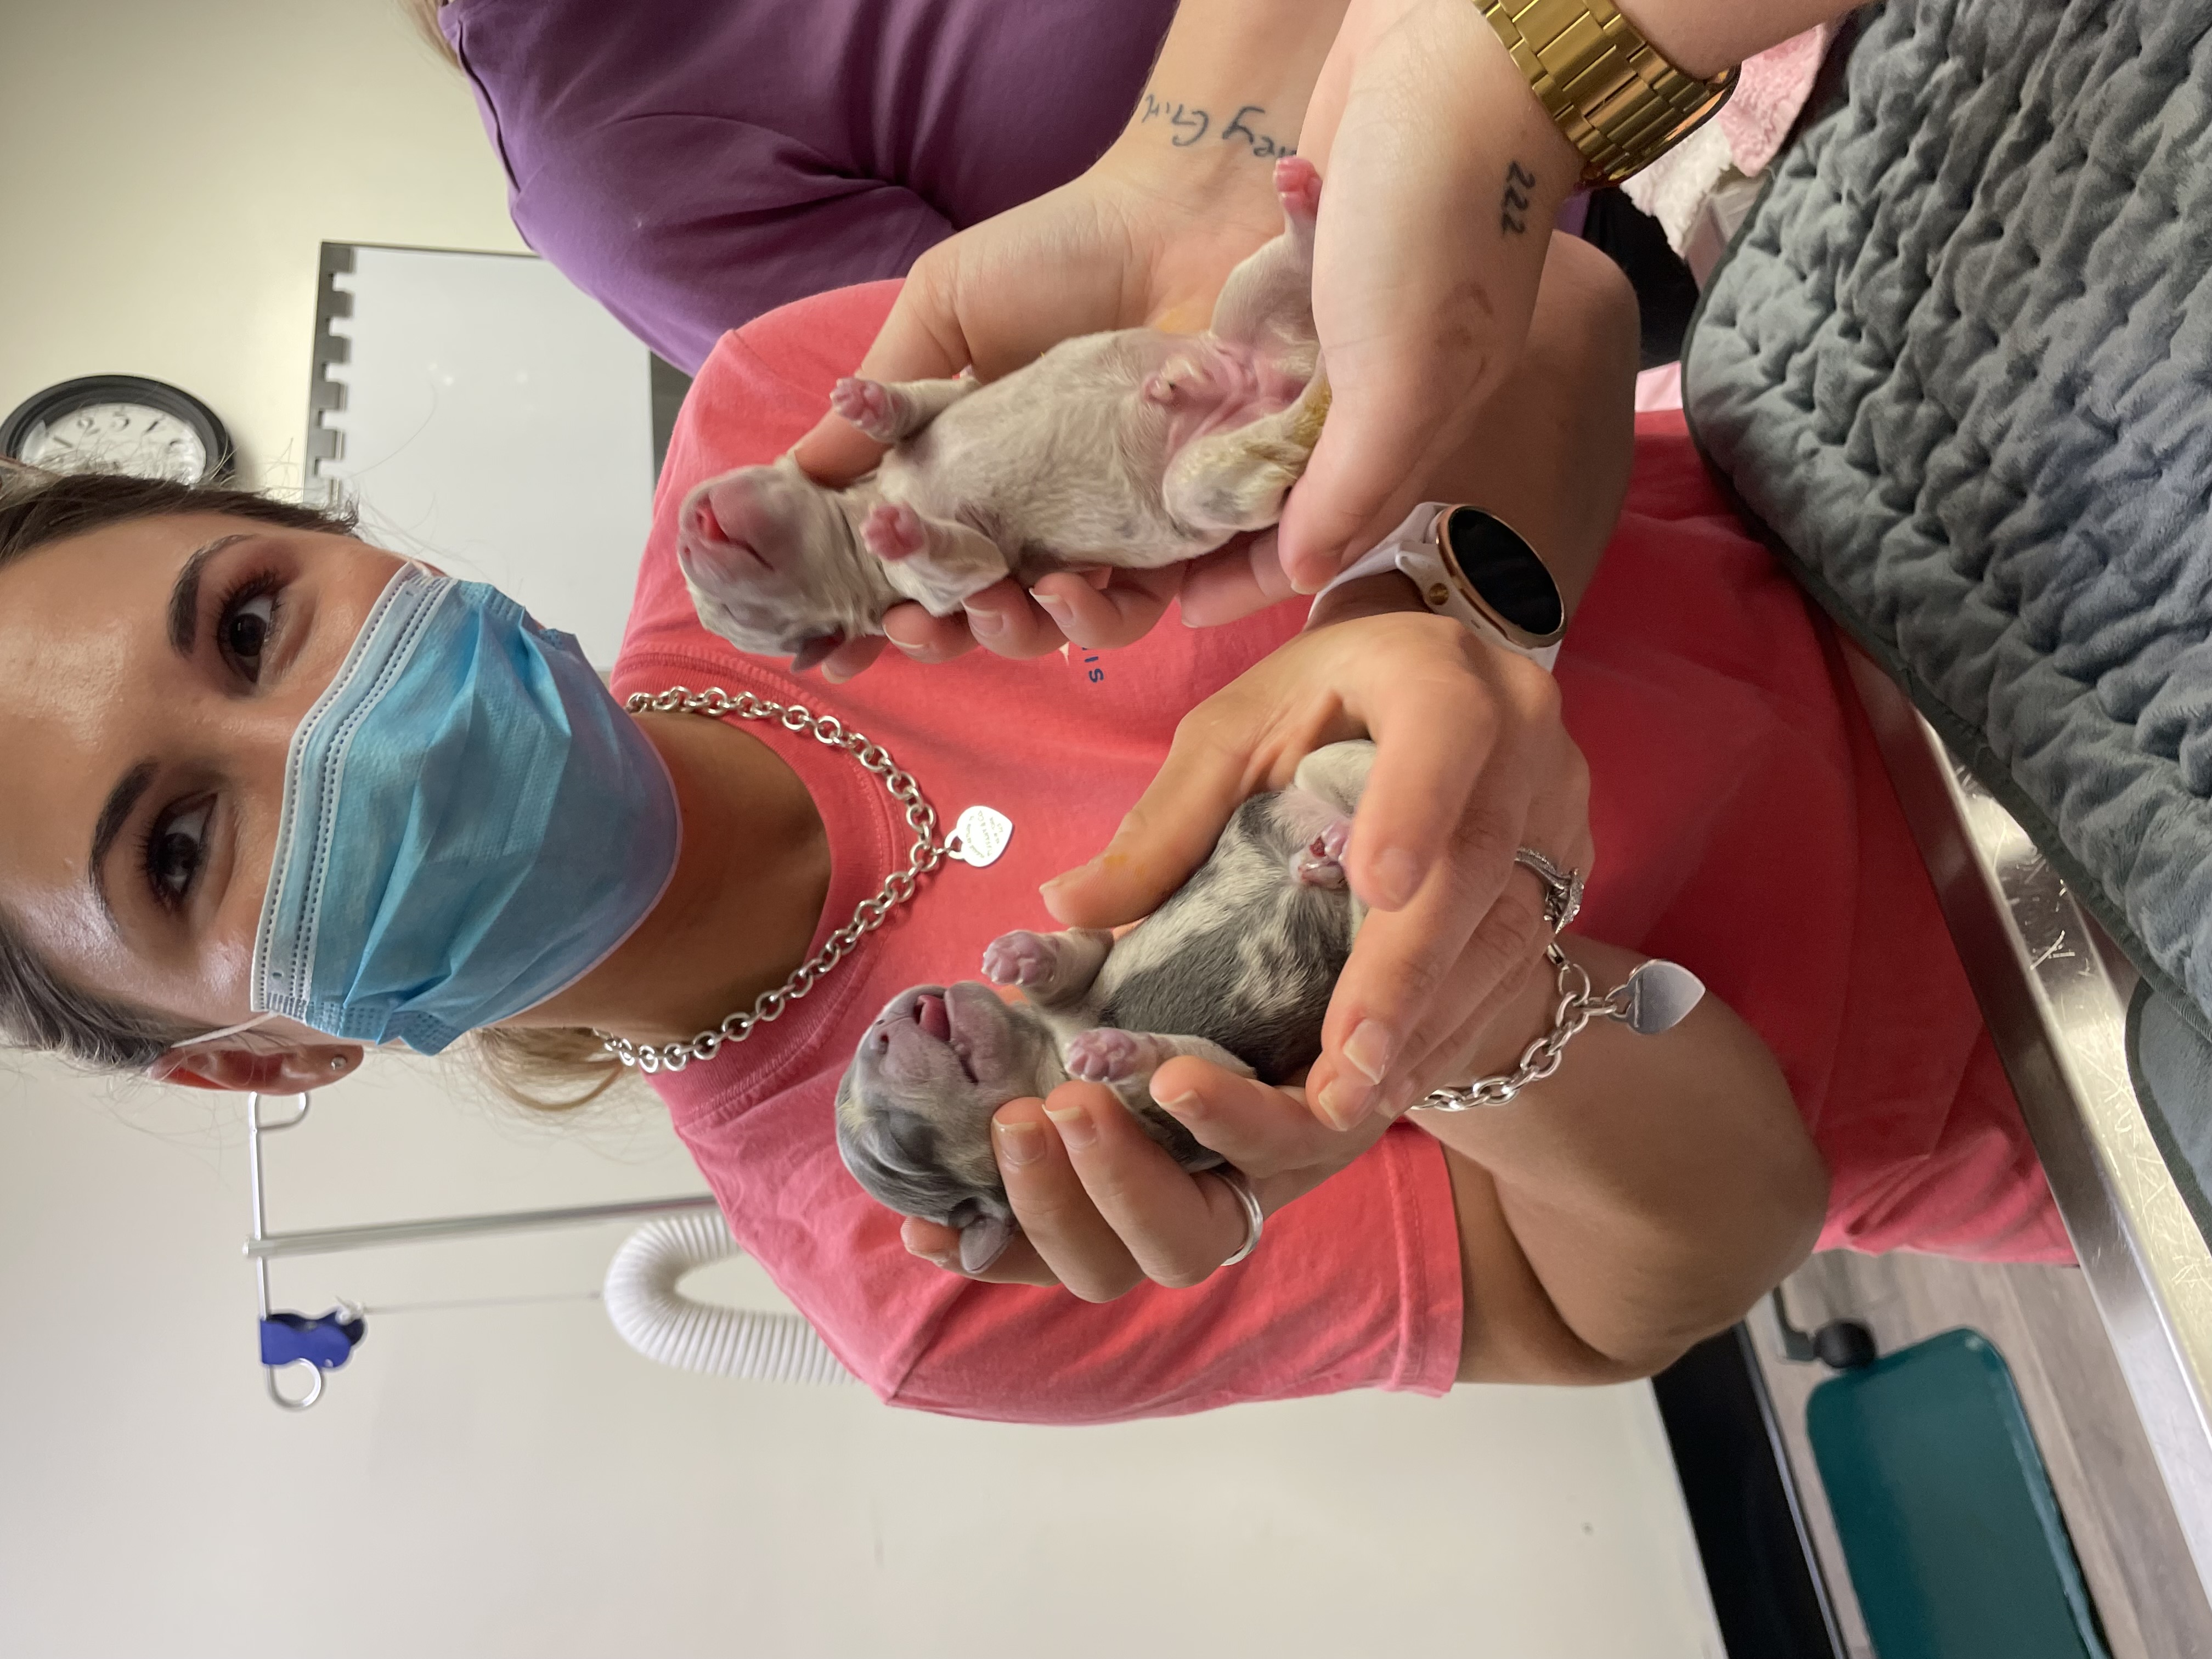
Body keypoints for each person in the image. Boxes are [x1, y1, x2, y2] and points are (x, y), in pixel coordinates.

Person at [0, 231, 2062, 1422]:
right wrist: (1439, 999)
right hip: (2053, 1051)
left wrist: (1423, 626)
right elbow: (1696, 1259)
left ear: (345, 543)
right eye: (179, 849)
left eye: (251, 622)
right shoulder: (946, 1257)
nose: (321, 740)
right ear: (266, 1049)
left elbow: (1552, 311)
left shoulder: (798, 456)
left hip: (1993, 517)